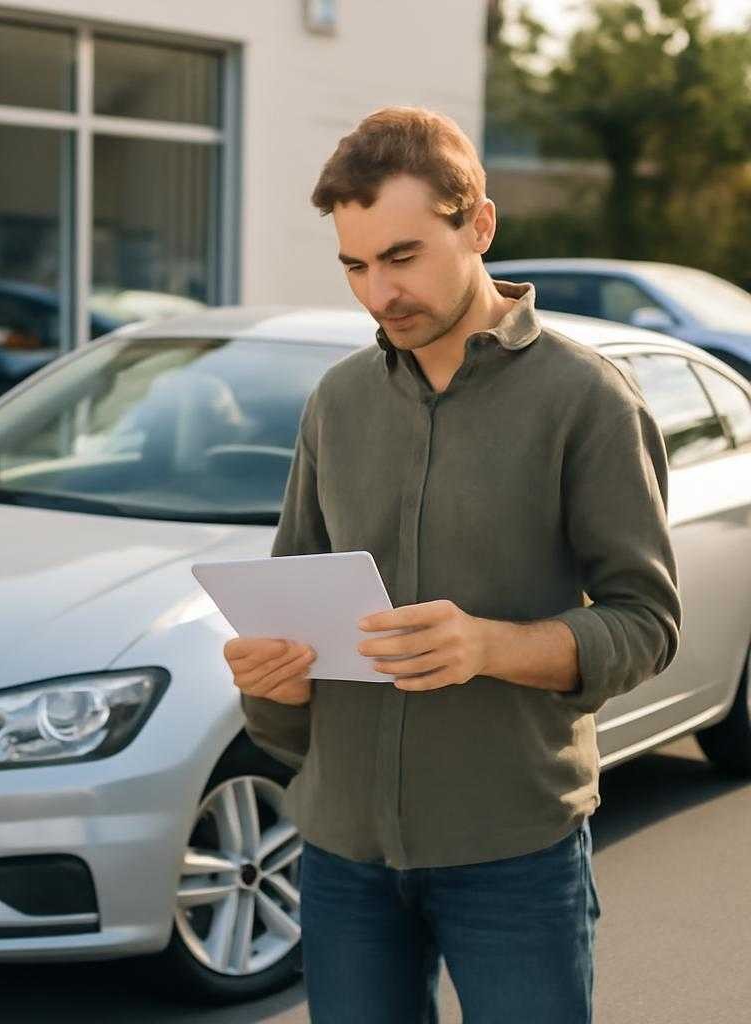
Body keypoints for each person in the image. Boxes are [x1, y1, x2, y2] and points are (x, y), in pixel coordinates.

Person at [223, 106, 682, 1023]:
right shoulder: (338, 401)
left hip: (510, 851)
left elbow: (647, 624)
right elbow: (292, 617)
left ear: (478, 225)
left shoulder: (586, 400)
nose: (378, 294)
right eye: (355, 265)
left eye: (402, 257)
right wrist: (268, 678)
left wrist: (489, 647)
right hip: (341, 852)